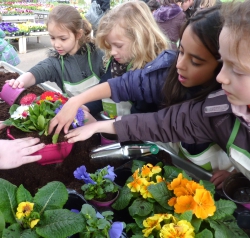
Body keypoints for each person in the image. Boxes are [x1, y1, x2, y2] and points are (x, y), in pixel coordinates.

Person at [49, 5, 235, 189]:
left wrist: (236, 174)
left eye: (195, 61)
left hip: (215, 174)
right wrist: (78, 102)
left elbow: (158, 123)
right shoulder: (169, 73)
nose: (179, 64)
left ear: (224, 65)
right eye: (181, 51)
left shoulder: (227, 108)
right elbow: (129, 88)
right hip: (180, 162)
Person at [85, 1, 170, 118]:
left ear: (140, 40)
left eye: (118, 46)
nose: (112, 52)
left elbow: (139, 119)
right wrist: (86, 107)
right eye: (110, 46)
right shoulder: (118, 63)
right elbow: (103, 91)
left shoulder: (152, 75)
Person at [7, 5, 105, 98]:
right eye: (52, 38)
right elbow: (36, 73)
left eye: (63, 39)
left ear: (78, 34)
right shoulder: (55, 63)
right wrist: (19, 82)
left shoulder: (97, 54)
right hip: (77, 113)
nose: (56, 45)